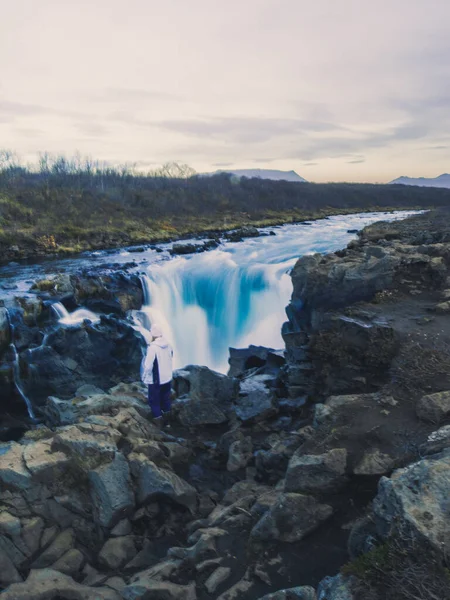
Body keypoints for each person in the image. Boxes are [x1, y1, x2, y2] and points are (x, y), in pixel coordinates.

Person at [141, 324, 173, 420]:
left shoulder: (152, 348)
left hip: (157, 378)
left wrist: (144, 377)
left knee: (154, 400)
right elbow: (171, 357)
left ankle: (158, 422)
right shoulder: (169, 344)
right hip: (168, 377)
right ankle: (168, 421)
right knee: (166, 399)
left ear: (153, 334)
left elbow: (148, 366)